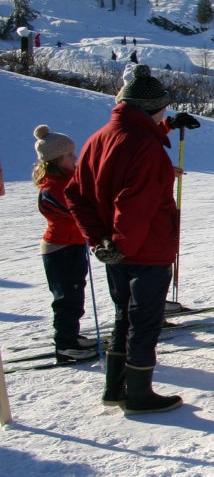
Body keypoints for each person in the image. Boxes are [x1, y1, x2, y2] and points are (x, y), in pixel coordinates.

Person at [66, 65, 183, 414]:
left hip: (115, 249)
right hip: (143, 250)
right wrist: (119, 244)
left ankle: (116, 388)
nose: (165, 114)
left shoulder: (99, 138)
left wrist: (100, 241)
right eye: (162, 110)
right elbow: (135, 204)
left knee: (124, 317)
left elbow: (76, 194)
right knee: (144, 320)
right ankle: (138, 393)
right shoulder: (143, 146)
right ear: (150, 108)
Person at [33, 125, 96, 363]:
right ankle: (65, 344)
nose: (74, 158)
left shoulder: (69, 178)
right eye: (69, 155)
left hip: (73, 245)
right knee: (66, 299)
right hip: (59, 248)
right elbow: (75, 213)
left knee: (75, 293)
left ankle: (72, 336)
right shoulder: (52, 188)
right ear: (55, 160)